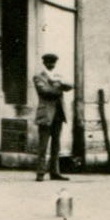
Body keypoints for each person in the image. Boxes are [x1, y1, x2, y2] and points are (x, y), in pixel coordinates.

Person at [33, 52, 74, 181]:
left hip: (58, 114)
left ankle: (54, 172)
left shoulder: (58, 76)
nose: (51, 65)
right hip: (45, 115)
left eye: (53, 63)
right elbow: (44, 91)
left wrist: (60, 83)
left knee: (56, 145)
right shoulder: (38, 76)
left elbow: (71, 85)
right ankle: (40, 173)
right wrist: (59, 87)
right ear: (44, 63)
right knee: (43, 146)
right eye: (49, 62)